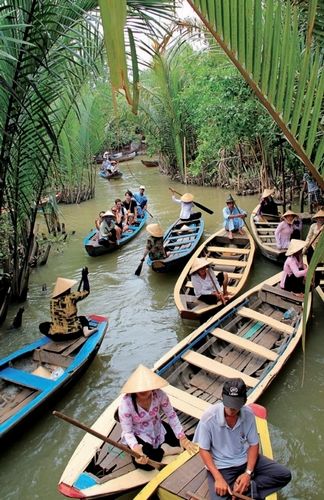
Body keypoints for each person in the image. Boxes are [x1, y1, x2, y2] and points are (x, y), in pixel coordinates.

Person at [194, 378, 291, 500]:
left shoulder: (248, 414)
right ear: (222, 398)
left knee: (284, 475)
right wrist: (218, 478)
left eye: (236, 405)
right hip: (222, 466)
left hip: (244, 459)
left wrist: (248, 473)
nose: (231, 408)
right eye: (228, 403)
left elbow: (254, 444)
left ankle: (248, 487)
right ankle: (244, 491)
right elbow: (203, 449)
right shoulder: (208, 418)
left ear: (244, 401)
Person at [118, 364, 198, 470]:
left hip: (158, 428)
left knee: (190, 441)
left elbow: (171, 415)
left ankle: (168, 448)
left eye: (146, 388)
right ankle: (165, 450)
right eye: (139, 388)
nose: (143, 391)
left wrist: (182, 437)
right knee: (145, 463)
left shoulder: (160, 395)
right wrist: (136, 448)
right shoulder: (125, 405)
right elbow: (128, 432)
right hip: (139, 434)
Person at [39, 268, 97, 341]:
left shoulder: (52, 300)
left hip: (57, 336)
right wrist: (85, 277)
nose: (70, 289)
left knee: (42, 326)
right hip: (74, 334)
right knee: (82, 318)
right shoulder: (72, 297)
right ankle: (86, 331)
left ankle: (55, 333)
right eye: (69, 288)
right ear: (66, 290)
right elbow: (86, 291)